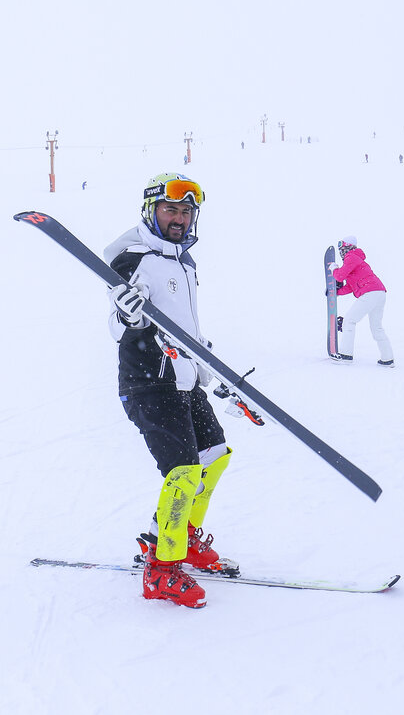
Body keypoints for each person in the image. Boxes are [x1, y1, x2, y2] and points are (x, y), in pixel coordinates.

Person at [104, 173, 231, 609]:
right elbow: (117, 321)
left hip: (185, 379)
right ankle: (162, 568)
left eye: (186, 212)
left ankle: (183, 537)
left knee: (215, 458)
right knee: (183, 474)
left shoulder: (184, 260)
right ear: (151, 210)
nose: (179, 218)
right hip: (149, 381)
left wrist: (214, 376)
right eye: (170, 209)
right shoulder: (132, 257)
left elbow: (187, 329)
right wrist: (128, 316)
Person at [332, 236, 394, 367]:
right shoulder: (355, 260)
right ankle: (387, 359)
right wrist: (336, 292)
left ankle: (346, 355)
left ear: (348, 247)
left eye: (342, 248)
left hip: (370, 292)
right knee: (376, 328)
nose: (341, 252)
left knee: (349, 321)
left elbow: (339, 276)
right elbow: (350, 286)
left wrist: (334, 269)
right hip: (379, 292)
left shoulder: (351, 257)